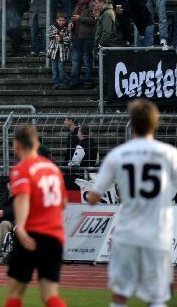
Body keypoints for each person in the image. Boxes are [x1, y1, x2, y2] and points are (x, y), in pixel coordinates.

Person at [86, 100, 177, 307]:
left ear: (132, 123)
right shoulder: (169, 154)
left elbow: (93, 197)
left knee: (120, 296)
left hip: (127, 233)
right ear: (155, 123)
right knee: (157, 298)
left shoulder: (117, 155)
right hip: (157, 234)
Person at [5, 124, 67, 307]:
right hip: (55, 237)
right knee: (50, 294)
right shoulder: (53, 169)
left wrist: (21, 228)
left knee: (15, 293)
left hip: (32, 234)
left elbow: (23, 197)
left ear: (17, 145)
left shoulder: (22, 169)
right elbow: (63, 203)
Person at [46, 12, 72, 90]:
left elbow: (68, 39)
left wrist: (62, 37)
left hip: (62, 53)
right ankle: (55, 82)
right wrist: (58, 34)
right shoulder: (53, 27)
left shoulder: (67, 29)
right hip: (53, 52)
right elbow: (49, 34)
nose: (61, 22)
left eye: (63, 20)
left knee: (61, 68)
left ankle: (62, 82)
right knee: (54, 68)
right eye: (59, 20)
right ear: (56, 20)